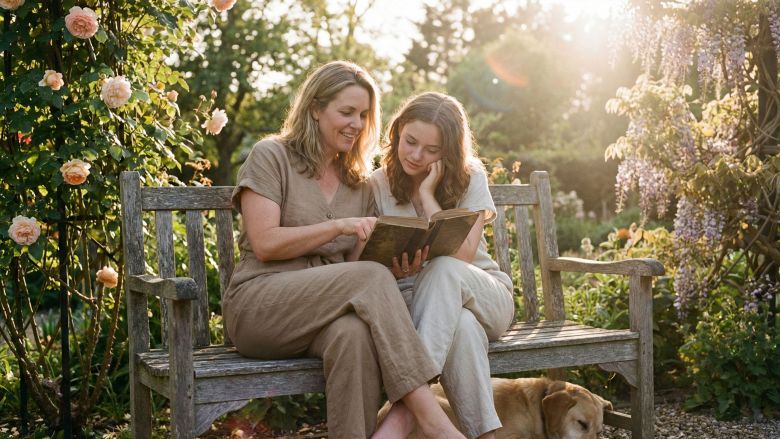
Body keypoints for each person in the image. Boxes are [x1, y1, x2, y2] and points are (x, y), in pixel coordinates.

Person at [223, 62, 465, 439]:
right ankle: (430, 419)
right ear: (316, 109)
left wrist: (392, 265)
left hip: (322, 315)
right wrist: (338, 227)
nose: (356, 123)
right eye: (346, 111)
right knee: (370, 279)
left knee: (353, 334)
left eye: (364, 115)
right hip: (260, 307)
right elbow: (265, 243)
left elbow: (355, 270)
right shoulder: (272, 156)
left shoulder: (359, 184)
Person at [369, 92, 515, 439]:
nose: (417, 156)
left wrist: (425, 195)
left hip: (486, 296)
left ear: (447, 152)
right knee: (461, 328)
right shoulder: (378, 183)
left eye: (431, 150)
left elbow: (462, 254)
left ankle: (406, 411)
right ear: (397, 132)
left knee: (444, 268)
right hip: (424, 308)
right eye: (410, 142)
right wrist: (394, 269)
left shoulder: (470, 176)